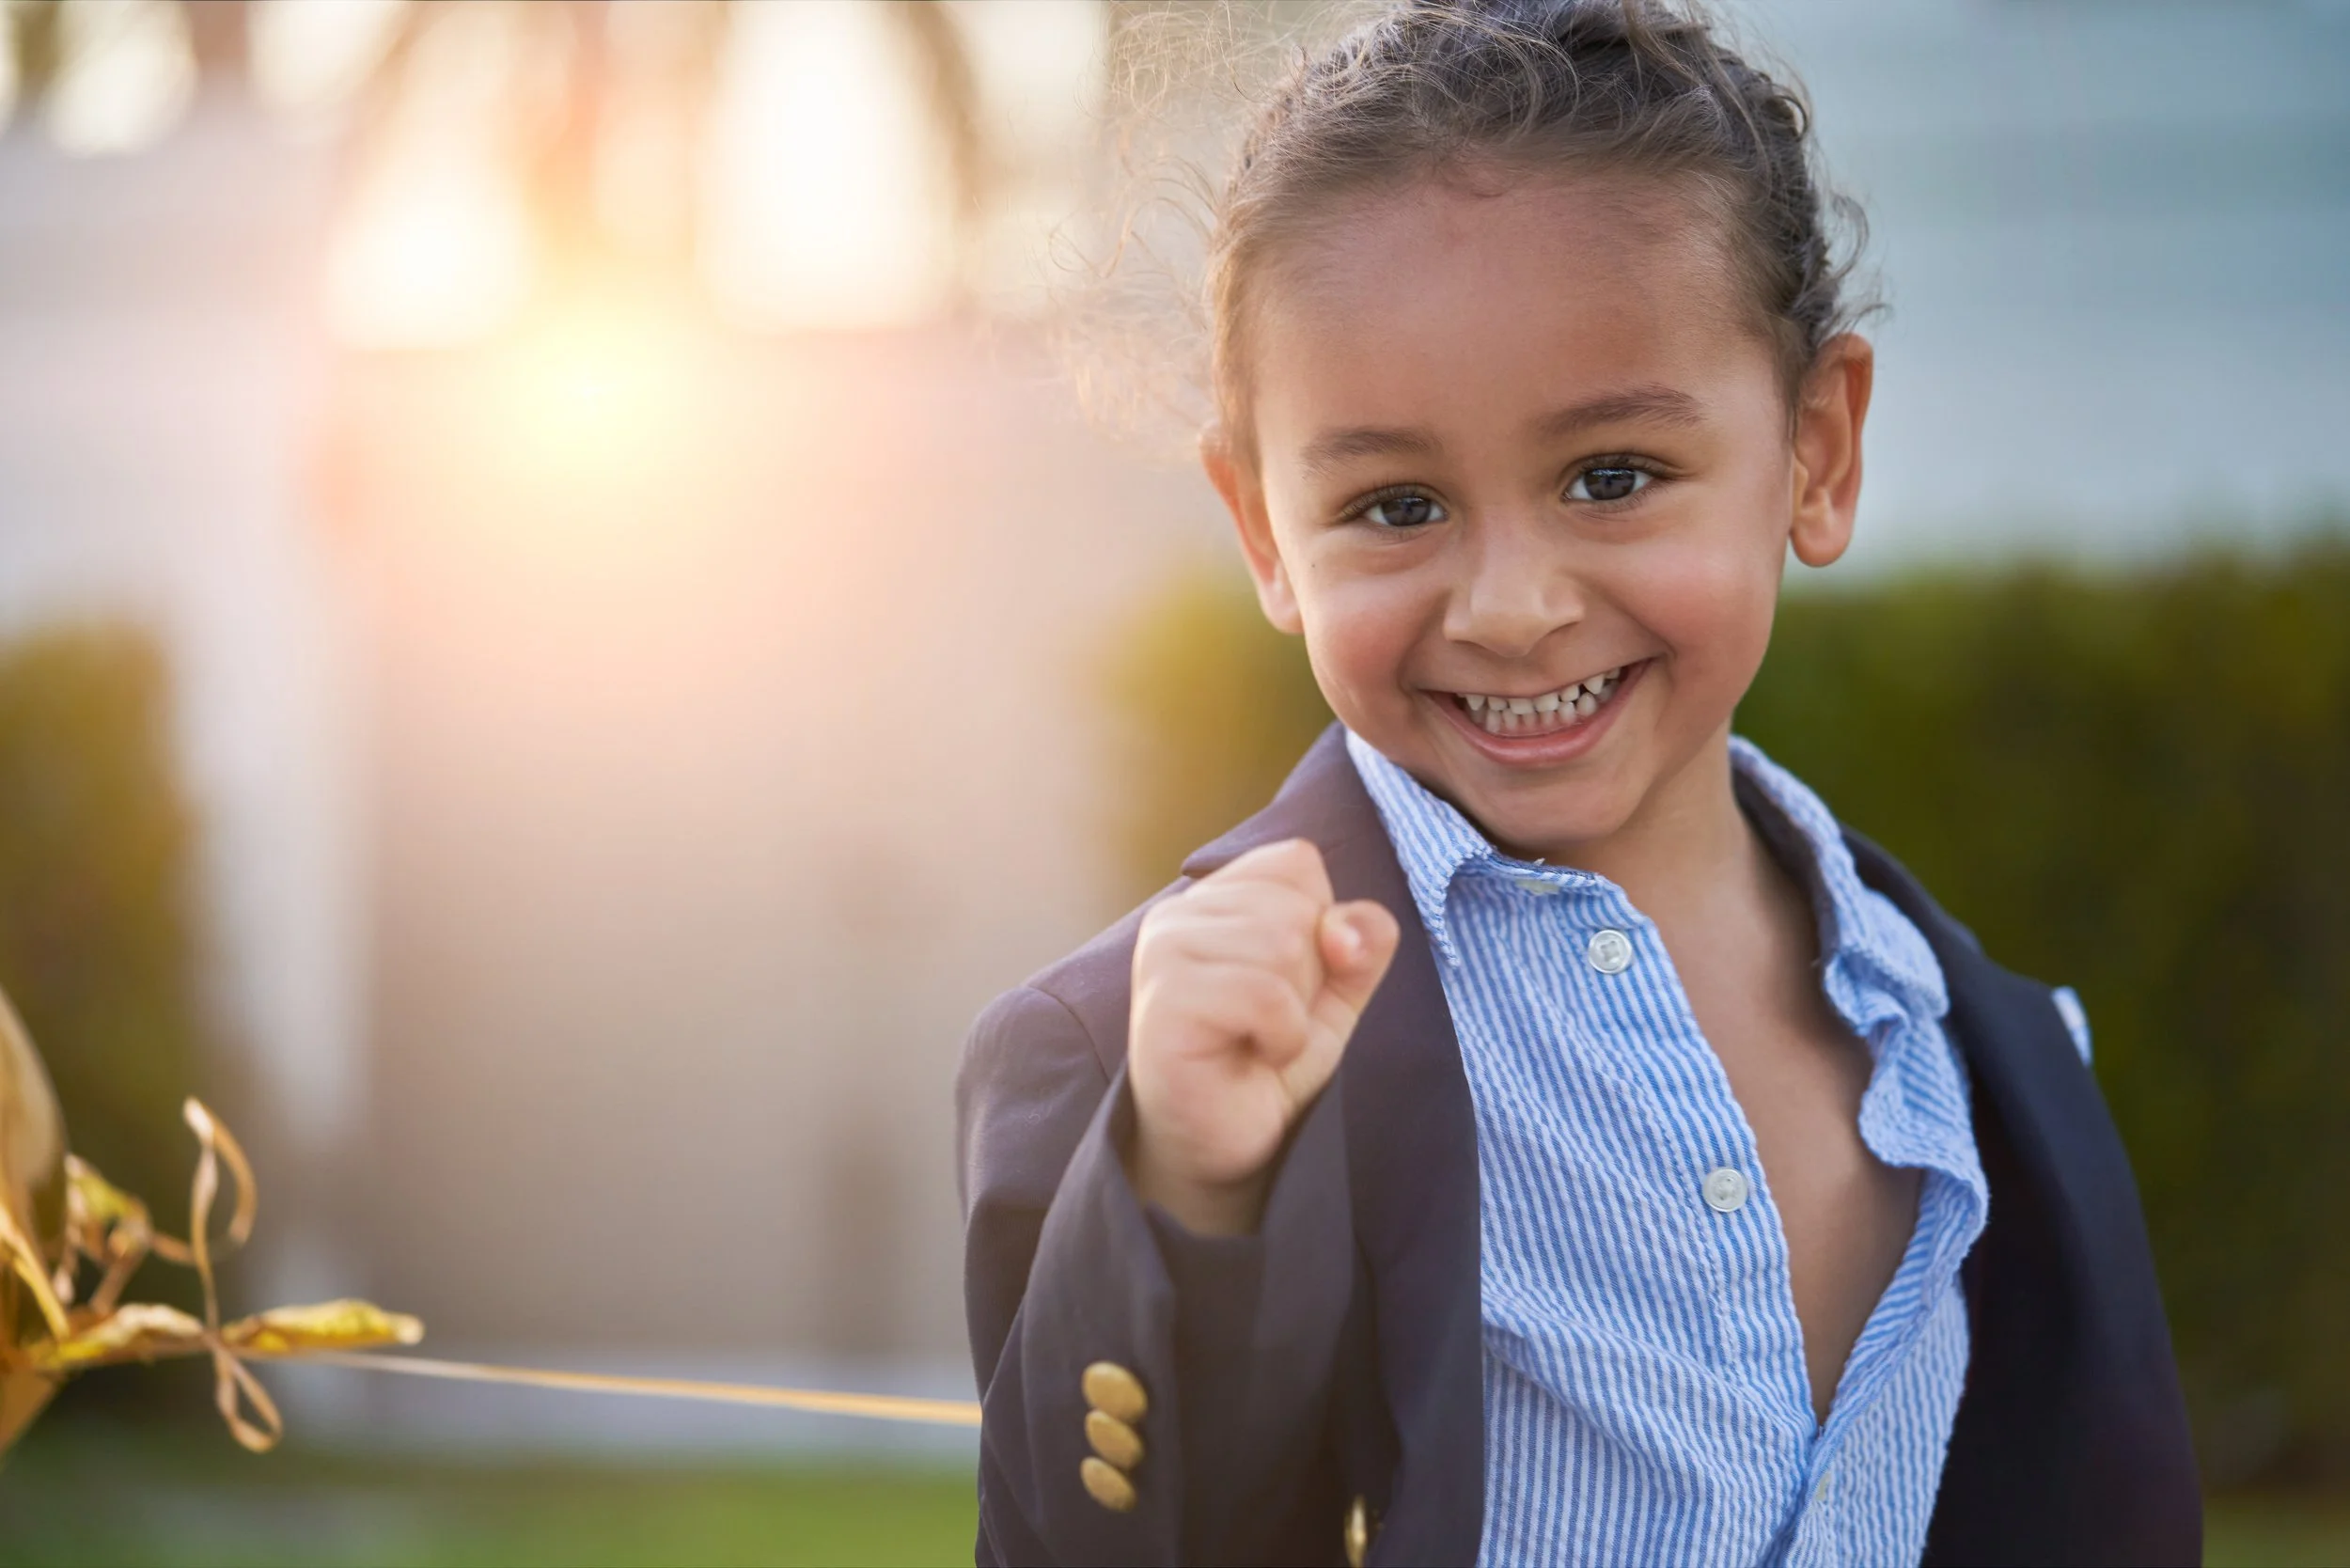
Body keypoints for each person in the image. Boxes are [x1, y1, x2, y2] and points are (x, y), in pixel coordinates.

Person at [955, 2, 2199, 1563]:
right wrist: (1190, 1203)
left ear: (1815, 452)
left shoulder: (1988, 1049)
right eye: (1396, 505)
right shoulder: (1131, 1069)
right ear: (1265, 529)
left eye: (1612, 478)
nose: (1512, 604)